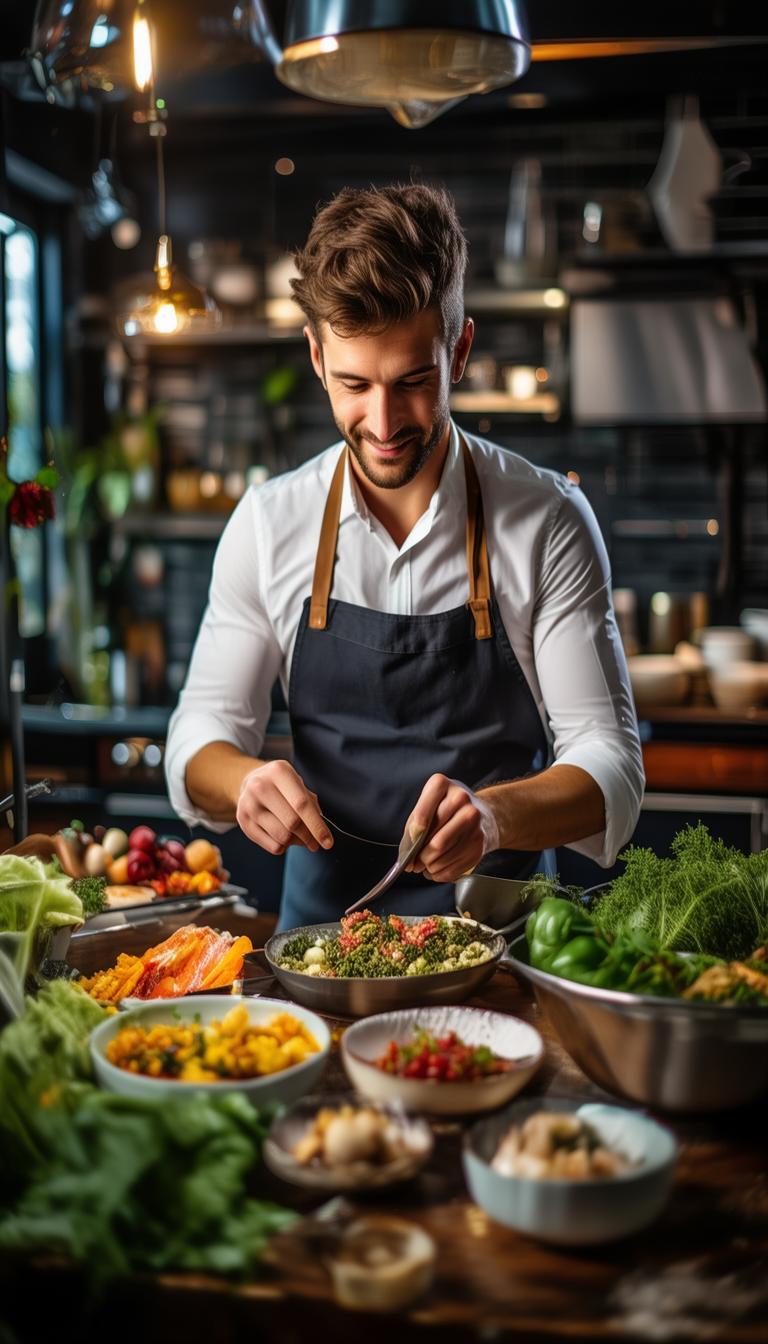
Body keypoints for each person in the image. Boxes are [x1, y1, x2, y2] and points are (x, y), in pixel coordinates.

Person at [166, 183, 644, 931]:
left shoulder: (547, 521)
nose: (384, 423)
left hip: (502, 945)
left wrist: (494, 816)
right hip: (321, 952)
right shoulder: (267, 525)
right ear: (317, 357)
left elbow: (611, 764)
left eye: (413, 382)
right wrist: (245, 781)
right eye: (354, 384)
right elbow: (198, 739)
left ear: (460, 351)